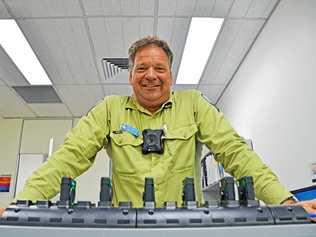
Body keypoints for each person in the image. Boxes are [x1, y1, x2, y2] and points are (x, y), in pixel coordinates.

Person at [1, 36, 316, 218]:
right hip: (127, 226)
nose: (150, 75)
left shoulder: (194, 105)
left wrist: (287, 204)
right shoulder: (109, 110)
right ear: (130, 76)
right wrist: (17, 207)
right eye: (142, 68)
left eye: (159, 68)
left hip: (188, 225)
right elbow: (67, 158)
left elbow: (235, 152)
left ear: (171, 74)